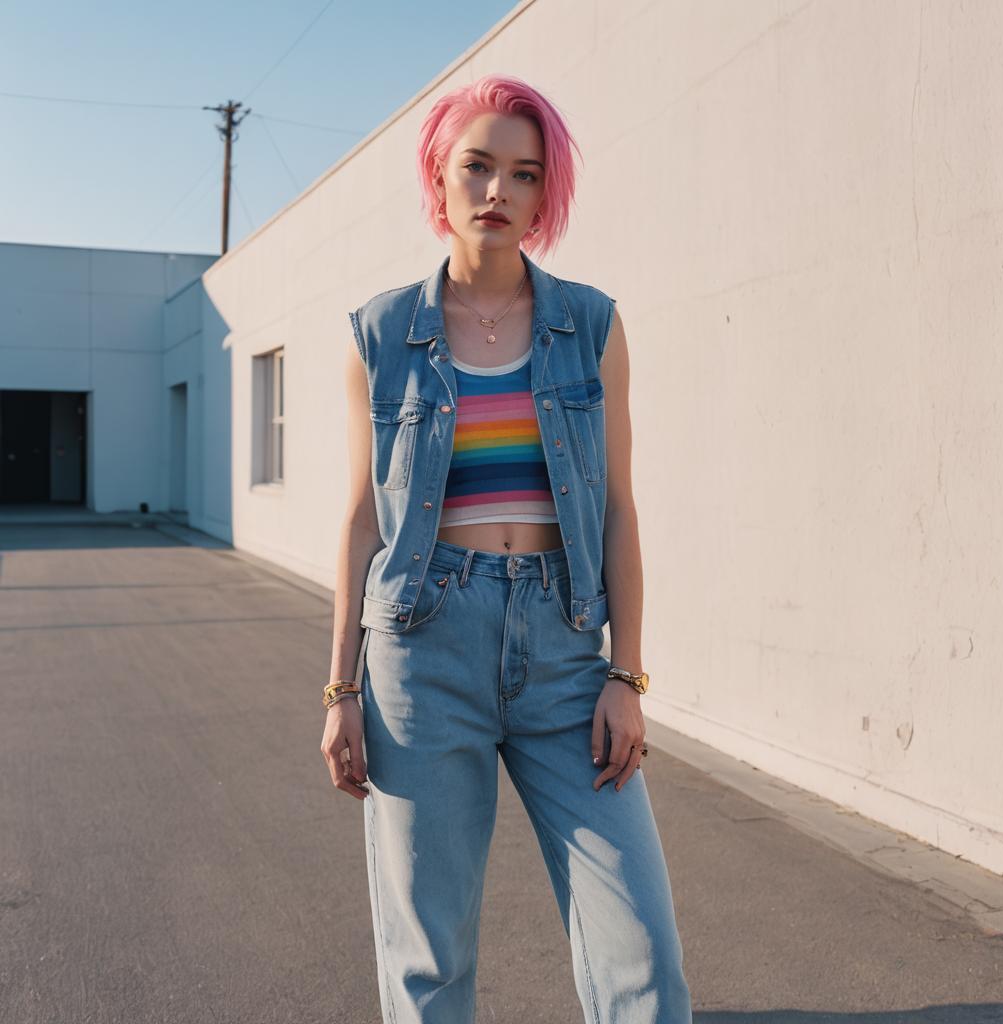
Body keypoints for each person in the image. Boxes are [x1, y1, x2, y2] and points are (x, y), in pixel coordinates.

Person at [321, 73, 693, 1023]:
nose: (498, 191)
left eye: (524, 175)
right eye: (477, 166)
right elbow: (364, 516)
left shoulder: (591, 326)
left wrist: (628, 676)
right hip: (422, 644)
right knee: (430, 955)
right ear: (438, 177)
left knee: (639, 949)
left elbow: (617, 507)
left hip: (566, 646)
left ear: (544, 195)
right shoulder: (382, 333)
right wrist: (341, 689)